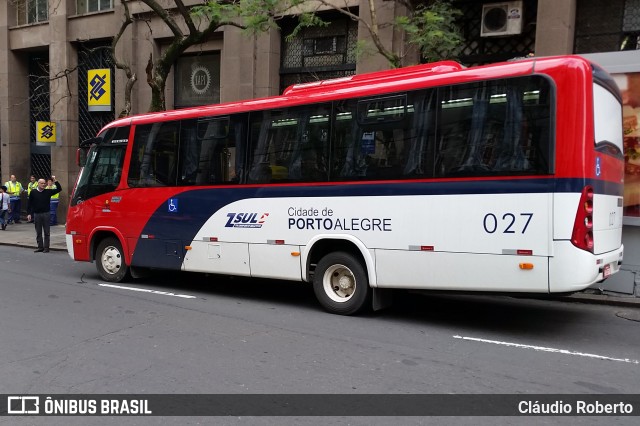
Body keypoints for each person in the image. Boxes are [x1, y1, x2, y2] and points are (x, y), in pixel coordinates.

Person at [27, 177, 62, 253]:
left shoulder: (48, 192)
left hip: (46, 213)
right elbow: (30, 203)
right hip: (37, 214)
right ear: (38, 184)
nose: (43, 184)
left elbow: (59, 189)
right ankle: (40, 247)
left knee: (47, 232)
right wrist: (29, 213)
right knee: (38, 231)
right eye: (41, 183)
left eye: (44, 183)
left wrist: (55, 181)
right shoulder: (33, 192)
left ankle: (46, 248)